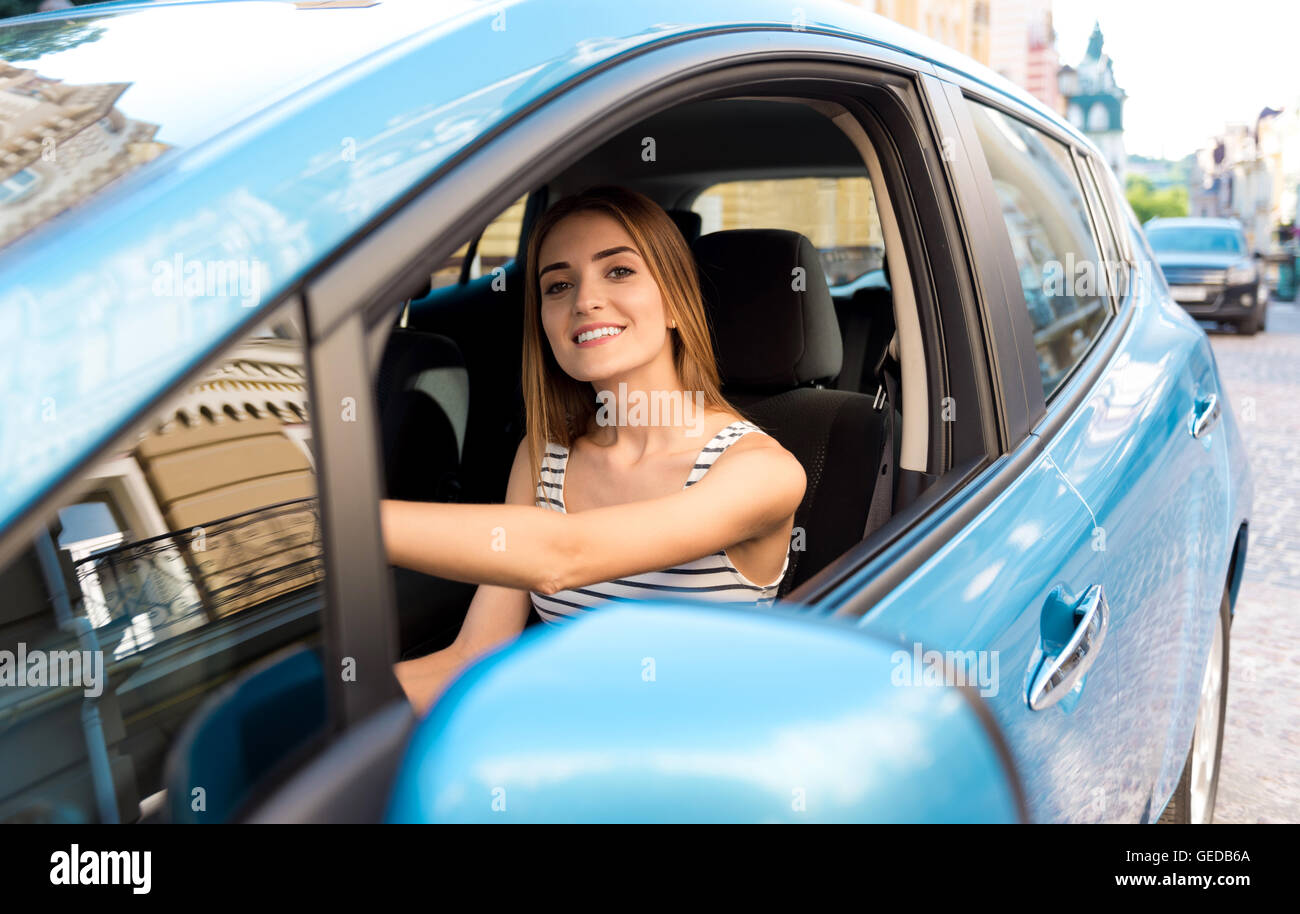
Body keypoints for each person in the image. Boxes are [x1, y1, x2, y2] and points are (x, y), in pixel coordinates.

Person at [382, 185, 805, 714]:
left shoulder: (761, 471)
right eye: (558, 285)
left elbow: (562, 556)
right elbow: (473, 657)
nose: (584, 300)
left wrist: (347, 528)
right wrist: (313, 716)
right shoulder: (542, 458)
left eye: (619, 271)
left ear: (675, 302)